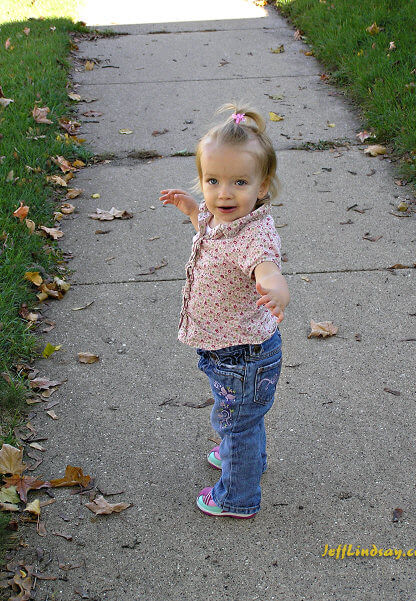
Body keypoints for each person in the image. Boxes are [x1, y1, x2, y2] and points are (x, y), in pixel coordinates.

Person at [159, 103, 290, 518]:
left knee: (237, 422)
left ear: (262, 185)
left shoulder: (255, 236)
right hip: (230, 350)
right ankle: (250, 457)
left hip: (243, 354)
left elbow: (265, 266)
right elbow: (211, 230)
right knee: (243, 417)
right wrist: (190, 210)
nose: (223, 194)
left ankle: (237, 497)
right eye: (212, 181)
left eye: (238, 182)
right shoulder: (221, 216)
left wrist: (274, 288)